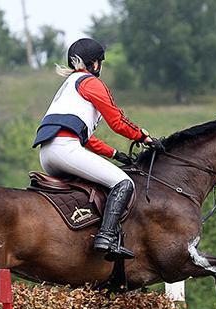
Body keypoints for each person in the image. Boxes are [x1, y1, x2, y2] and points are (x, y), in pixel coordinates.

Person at [32, 37, 163, 260]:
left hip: (48, 154)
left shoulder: (69, 85)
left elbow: (87, 138)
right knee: (123, 183)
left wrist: (115, 154)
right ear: (94, 63)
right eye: (100, 62)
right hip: (64, 149)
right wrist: (144, 137)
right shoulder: (90, 83)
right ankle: (106, 236)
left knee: (96, 185)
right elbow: (117, 121)